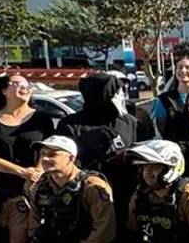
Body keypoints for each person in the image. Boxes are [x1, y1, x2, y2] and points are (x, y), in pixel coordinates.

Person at [57, 72, 140, 228]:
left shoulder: (130, 122)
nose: (121, 96)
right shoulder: (71, 125)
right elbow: (68, 162)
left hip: (125, 195)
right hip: (87, 197)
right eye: (116, 92)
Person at [0, 74, 55, 194]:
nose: (25, 88)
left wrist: (37, 172)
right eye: (17, 84)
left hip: (39, 185)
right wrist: (22, 172)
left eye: (28, 85)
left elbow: (50, 148)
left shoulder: (42, 118)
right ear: (4, 91)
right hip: (2, 187)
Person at [152, 57, 189, 139]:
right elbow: (161, 126)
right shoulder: (164, 100)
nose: (183, 70)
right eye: (180, 67)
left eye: (188, 68)